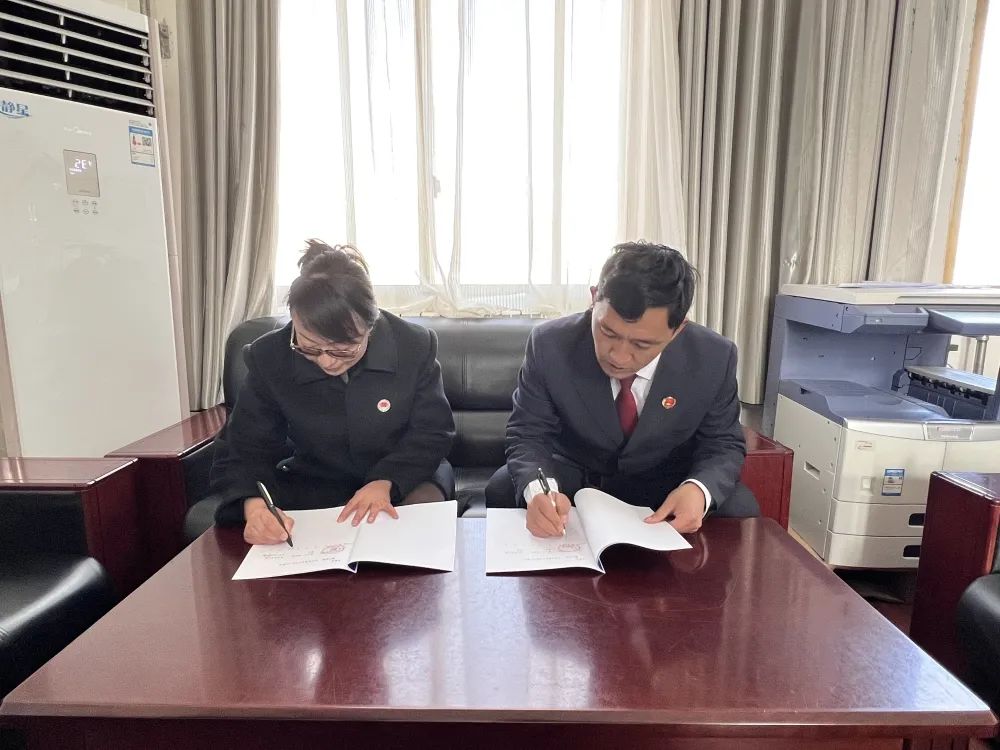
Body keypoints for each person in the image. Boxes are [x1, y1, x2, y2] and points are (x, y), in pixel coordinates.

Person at [486, 241, 758, 538]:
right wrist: (540, 491)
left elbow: (723, 443)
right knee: (504, 487)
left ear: (678, 329)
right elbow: (528, 433)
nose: (619, 356)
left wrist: (698, 490)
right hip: (578, 479)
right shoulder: (550, 344)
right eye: (607, 331)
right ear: (594, 298)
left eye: (642, 344)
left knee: (739, 505)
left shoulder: (713, 357)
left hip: (666, 484)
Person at [210, 240, 455, 545]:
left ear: (370, 326)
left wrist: (384, 482)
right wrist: (255, 507)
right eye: (310, 347)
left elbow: (433, 433)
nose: (327, 361)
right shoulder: (269, 357)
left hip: (405, 475)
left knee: (412, 527)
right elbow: (245, 445)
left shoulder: (412, 345)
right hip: (317, 479)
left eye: (343, 349)